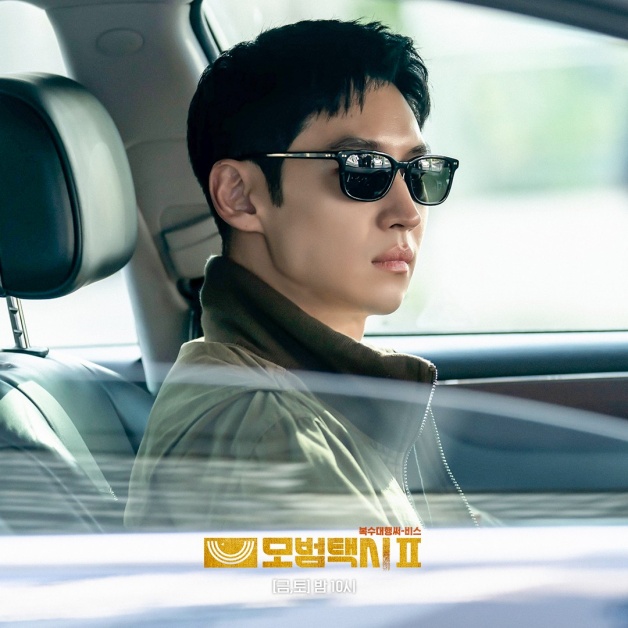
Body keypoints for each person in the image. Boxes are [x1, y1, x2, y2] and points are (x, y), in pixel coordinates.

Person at [124, 19, 461, 530]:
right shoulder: (267, 437)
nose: (407, 212)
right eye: (363, 168)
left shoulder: (310, 397)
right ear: (240, 195)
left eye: (418, 172)